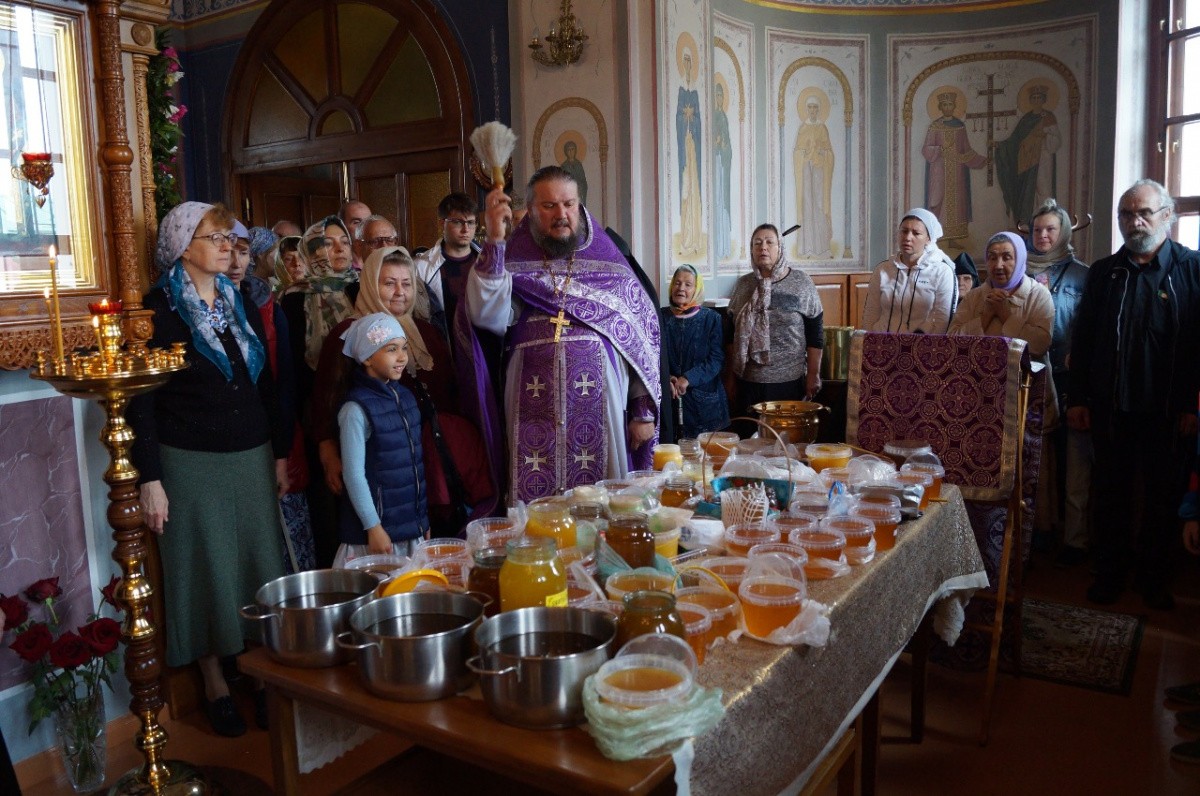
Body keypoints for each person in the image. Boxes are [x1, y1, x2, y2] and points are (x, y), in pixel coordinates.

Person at [128, 202, 288, 737]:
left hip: (250, 453)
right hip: (190, 460)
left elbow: (262, 384)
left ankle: (260, 676)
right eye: (215, 237)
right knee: (205, 569)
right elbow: (142, 402)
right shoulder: (157, 310)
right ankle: (215, 681)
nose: (227, 246)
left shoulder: (237, 299)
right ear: (182, 246)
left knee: (258, 566)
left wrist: (279, 453)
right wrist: (150, 479)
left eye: (228, 238)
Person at [471, 166, 661, 501]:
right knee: (535, 501)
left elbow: (640, 338)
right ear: (531, 210)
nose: (561, 214)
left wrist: (641, 410)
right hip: (530, 397)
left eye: (569, 204)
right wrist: (495, 242)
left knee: (602, 500)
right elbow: (487, 315)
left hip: (600, 399)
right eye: (549, 206)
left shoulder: (610, 264)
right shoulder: (512, 258)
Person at [1067, 179, 1200, 610]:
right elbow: (1084, 339)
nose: (1134, 221)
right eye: (1126, 214)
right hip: (1112, 407)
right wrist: (1078, 398)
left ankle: (1153, 579)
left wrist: (1191, 404)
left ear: (1167, 215)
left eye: (1143, 212)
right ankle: (1110, 574)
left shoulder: (1191, 268)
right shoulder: (1106, 272)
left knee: (1162, 498)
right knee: (1112, 496)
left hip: (1169, 411)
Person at [229, 220, 315, 574]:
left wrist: (282, 446)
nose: (235, 262)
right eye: (227, 251)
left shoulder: (266, 305)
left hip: (276, 430)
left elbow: (284, 382)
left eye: (242, 252)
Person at [1025, 198, 1091, 566]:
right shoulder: (1020, 272)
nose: (1043, 235)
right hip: (1031, 375)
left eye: (1050, 229)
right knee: (1040, 456)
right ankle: (1040, 529)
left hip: (1069, 378)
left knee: (1074, 458)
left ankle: (1074, 537)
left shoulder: (1083, 275)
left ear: (1063, 232)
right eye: (1038, 230)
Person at [335, 312, 428, 563]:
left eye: (404, 348)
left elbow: (415, 469)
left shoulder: (406, 398)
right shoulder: (355, 410)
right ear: (366, 357)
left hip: (409, 530)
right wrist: (372, 526)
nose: (402, 357)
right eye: (391, 349)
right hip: (376, 537)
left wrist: (422, 523)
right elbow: (353, 474)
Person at [728, 223, 824, 424]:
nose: (763, 247)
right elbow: (730, 334)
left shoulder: (801, 282)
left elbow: (815, 333)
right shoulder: (743, 285)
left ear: (780, 248)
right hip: (748, 380)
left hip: (788, 381)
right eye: (757, 243)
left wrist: (813, 374)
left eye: (769, 242)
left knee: (784, 439)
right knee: (749, 437)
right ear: (752, 250)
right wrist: (730, 377)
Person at [948, 231, 1053, 356]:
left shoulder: (1038, 295)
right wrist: (985, 317)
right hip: (980, 368)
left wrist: (1006, 315)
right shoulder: (974, 296)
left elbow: (1041, 345)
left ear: (1020, 260)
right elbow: (951, 342)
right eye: (992, 258)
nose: (998, 266)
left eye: (1006, 258)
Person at [861, 208, 957, 334]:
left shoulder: (942, 272)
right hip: (882, 342)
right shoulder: (883, 270)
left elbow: (942, 320)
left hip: (921, 343)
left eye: (916, 233)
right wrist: (871, 340)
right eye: (904, 231)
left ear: (928, 238)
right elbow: (871, 313)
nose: (908, 237)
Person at [660, 264, 729, 439]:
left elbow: (716, 359)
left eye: (688, 284)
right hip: (669, 399)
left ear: (696, 289)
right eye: (677, 283)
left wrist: (688, 378)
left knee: (704, 451)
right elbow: (652, 355)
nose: (681, 288)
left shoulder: (711, 319)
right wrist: (666, 377)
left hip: (704, 405)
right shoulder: (660, 317)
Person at [415, 192, 482, 342]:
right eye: (458, 222)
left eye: (471, 222)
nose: (466, 229)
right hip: (443, 344)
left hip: (481, 345)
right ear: (442, 223)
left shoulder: (488, 262)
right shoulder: (421, 266)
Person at [922, 90, 988, 241]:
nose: (947, 107)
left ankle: (954, 237)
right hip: (939, 171)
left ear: (954, 106)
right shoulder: (935, 126)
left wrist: (981, 160)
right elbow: (926, 149)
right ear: (940, 107)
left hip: (958, 171)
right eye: (944, 104)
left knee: (958, 202)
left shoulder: (960, 126)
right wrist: (941, 148)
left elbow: (966, 149)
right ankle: (937, 235)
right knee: (938, 199)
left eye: (950, 104)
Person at [996, 84, 1062, 226]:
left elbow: (1056, 140)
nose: (1037, 100)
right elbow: (1015, 140)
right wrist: (1000, 145)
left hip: (1043, 158)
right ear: (1031, 100)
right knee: (1027, 190)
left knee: (1043, 189)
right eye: (1034, 97)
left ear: (1044, 99)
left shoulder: (1048, 117)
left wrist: (1045, 134)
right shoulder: (1026, 119)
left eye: (1039, 97)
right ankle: (1029, 222)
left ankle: (1046, 221)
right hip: (1026, 160)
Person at [793, 94, 834, 260]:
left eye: (815, 107)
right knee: (807, 206)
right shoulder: (803, 128)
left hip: (819, 172)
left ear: (819, 110)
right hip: (806, 171)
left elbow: (829, 152)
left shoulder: (822, 128)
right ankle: (807, 248)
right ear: (806, 109)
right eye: (809, 107)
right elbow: (797, 152)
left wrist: (821, 152)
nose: (812, 110)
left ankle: (822, 248)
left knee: (819, 205)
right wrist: (805, 153)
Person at [676, 50, 703, 256]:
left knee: (693, 189)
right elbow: (678, 117)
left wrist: (692, 119)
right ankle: (686, 239)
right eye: (683, 61)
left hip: (693, 148)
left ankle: (695, 238)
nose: (686, 64)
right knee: (684, 190)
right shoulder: (680, 92)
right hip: (684, 147)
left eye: (688, 61)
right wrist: (683, 117)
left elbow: (699, 121)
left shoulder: (694, 94)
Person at [559, 140, 588, 206]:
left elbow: (583, 181)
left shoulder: (578, 165)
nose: (571, 152)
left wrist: (580, 186)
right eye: (568, 150)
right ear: (566, 152)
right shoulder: (564, 166)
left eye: (572, 149)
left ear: (575, 151)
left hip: (578, 193)